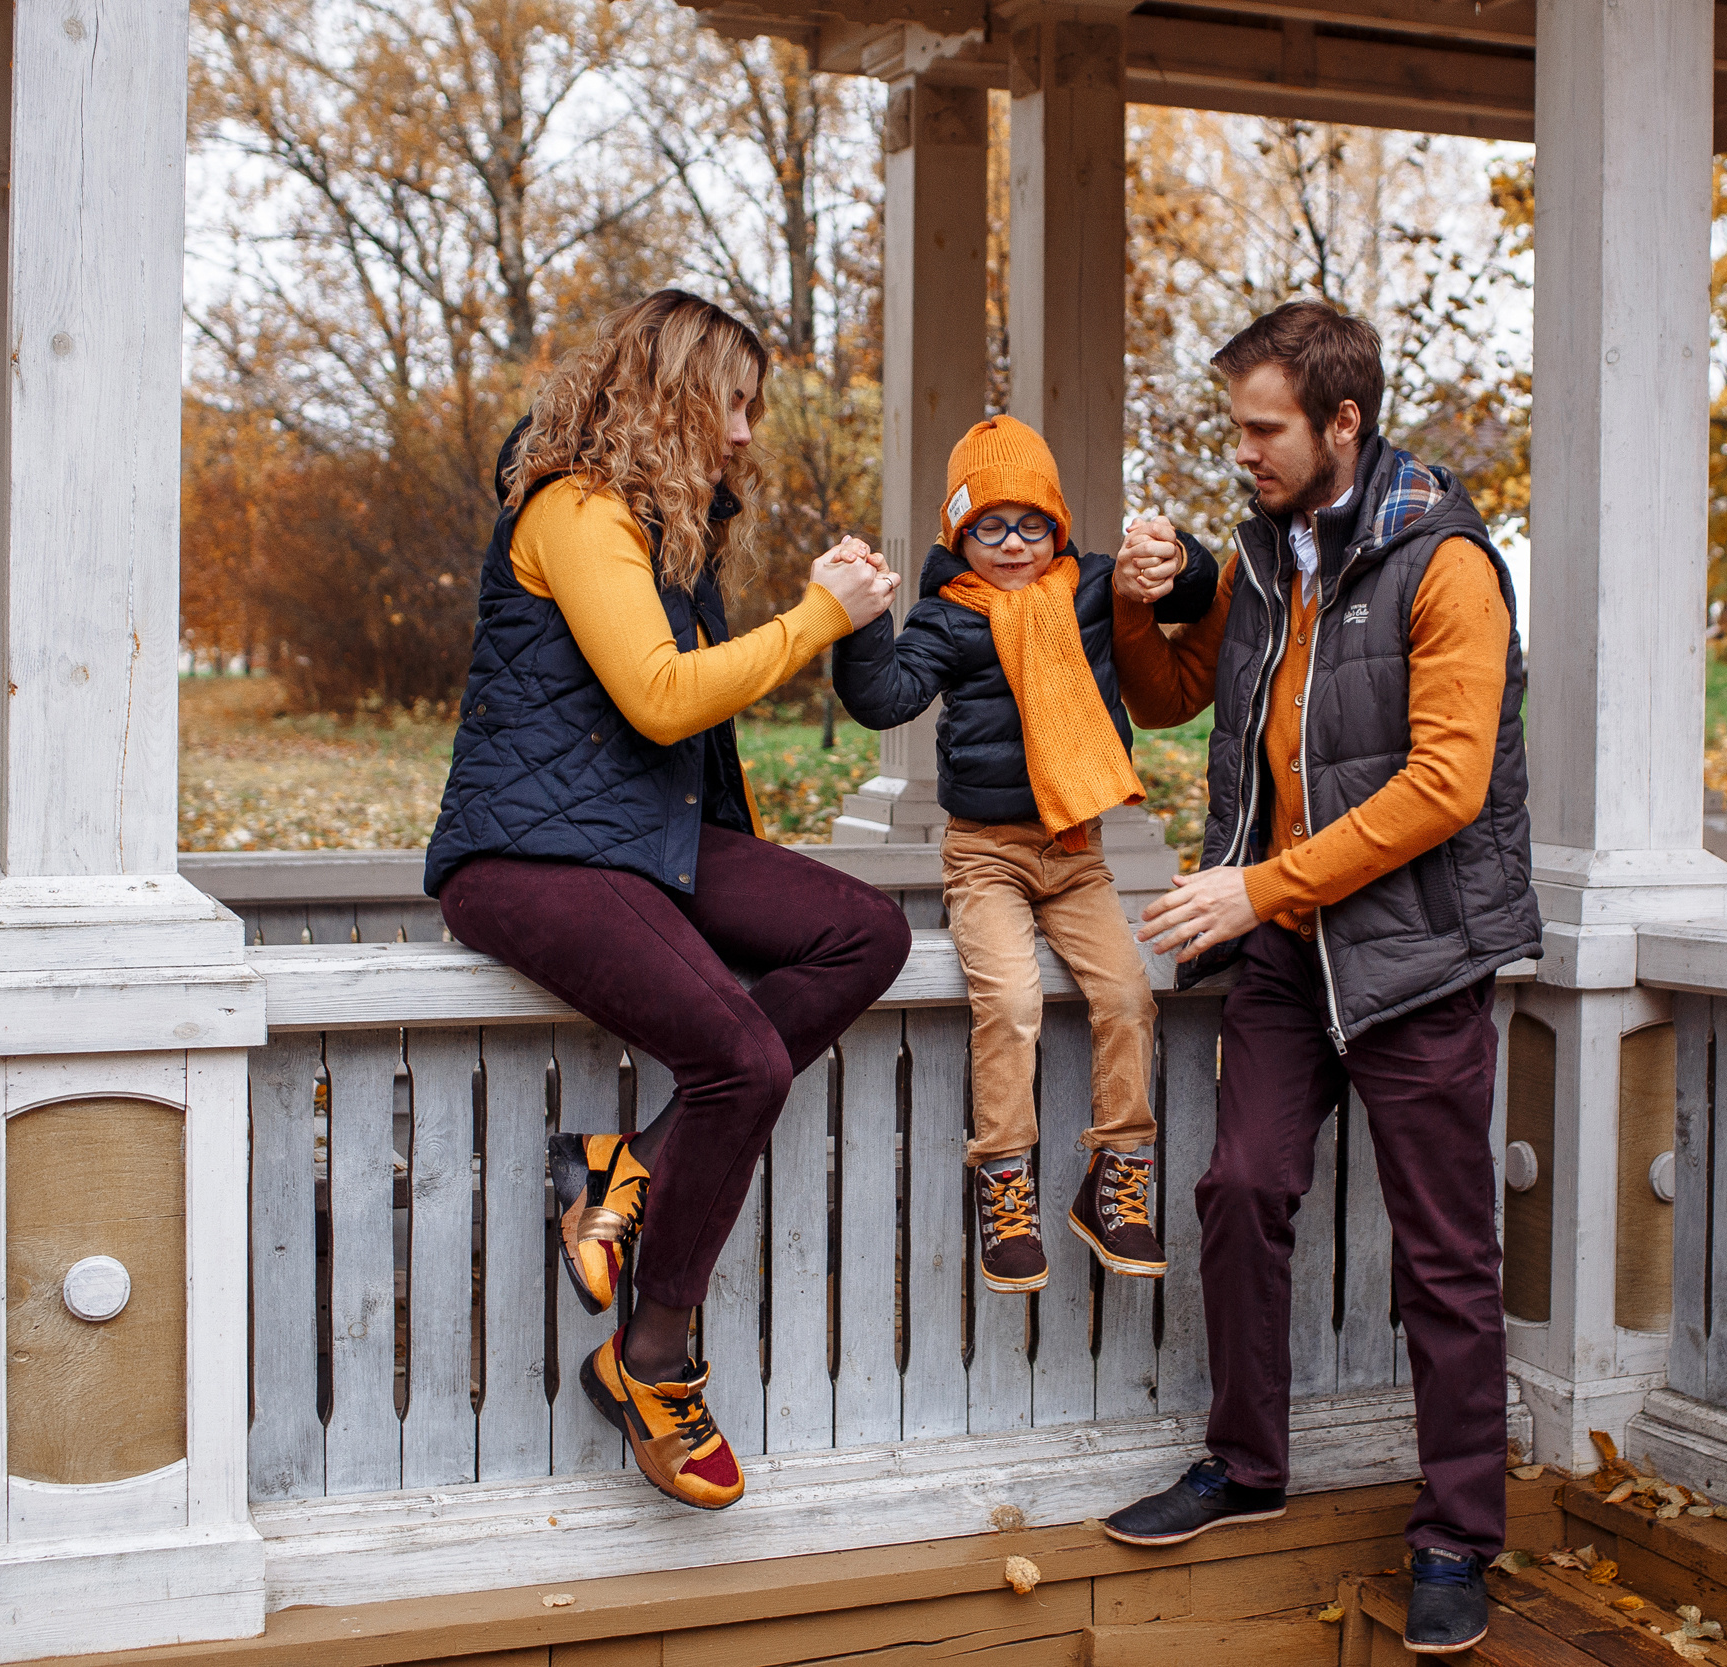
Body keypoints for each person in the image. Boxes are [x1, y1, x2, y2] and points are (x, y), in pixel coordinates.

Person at [1093, 301, 1542, 1656]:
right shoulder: (1264, 558)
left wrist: (1255, 886)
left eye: (1262, 428)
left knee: (1446, 1251)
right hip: (1287, 952)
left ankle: (1458, 1529)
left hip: (1414, 954)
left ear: (1344, 422)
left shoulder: (1446, 563)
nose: (1241, 451)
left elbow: (1445, 784)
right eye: (1236, 427)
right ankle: (1248, 1461)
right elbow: (1177, 692)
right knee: (1240, 1183)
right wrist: (1136, 593)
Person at [422, 290, 912, 1512]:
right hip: (525, 858)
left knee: (868, 930)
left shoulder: (662, 527)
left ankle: (625, 1166)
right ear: (677, 394)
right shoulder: (577, 506)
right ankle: (652, 1359)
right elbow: (658, 697)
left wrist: (828, 622)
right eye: (734, 403)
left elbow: (670, 728)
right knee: (742, 1058)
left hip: (642, 842)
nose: (746, 433)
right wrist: (815, 619)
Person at [831, 417, 1217, 1294]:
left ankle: (1118, 1175)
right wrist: (858, 626)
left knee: (1126, 994)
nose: (1013, 544)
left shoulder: (1096, 591)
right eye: (990, 525)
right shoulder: (949, 617)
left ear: (1059, 526)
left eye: (1032, 524)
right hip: (988, 855)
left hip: (1076, 852)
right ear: (958, 533)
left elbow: (1192, 596)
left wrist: (1177, 554)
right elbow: (885, 697)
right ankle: (1003, 1180)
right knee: (1007, 1002)